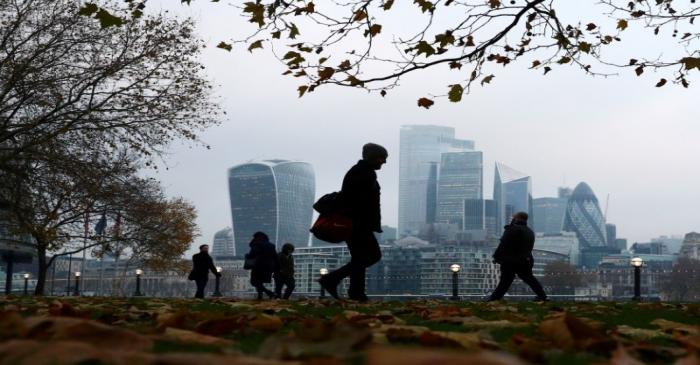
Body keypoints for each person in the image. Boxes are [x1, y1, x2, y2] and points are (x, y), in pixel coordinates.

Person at [318, 143, 387, 302]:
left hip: (355, 223)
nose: (384, 162)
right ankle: (332, 279)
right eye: (382, 158)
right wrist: (366, 223)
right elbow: (359, 201)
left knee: (359, 258)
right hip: (358, 224)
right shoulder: (364, 173)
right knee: (373, 255)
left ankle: (357, 293)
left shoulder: (360, 171)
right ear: (372, 157)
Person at [488, 212, 548, 302]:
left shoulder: (512, 229)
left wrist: (496, 256)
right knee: (530, 279)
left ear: (517, 218)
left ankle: (493, 299)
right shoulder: (530, 231)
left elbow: (503, 244)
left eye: (513, 217)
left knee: (505, 281)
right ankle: (543, 296)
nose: (512, 219)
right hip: (525, 260)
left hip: (510, 261)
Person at [247, 231, 279, 300]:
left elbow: (252, 254)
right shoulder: (271, 245)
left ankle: (269, 293)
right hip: (268, 267)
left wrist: (248, 257)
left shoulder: (257, 244)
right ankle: (260, 296)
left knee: (254, 282)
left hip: (258, 266)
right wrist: (276, 267)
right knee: (259, 282)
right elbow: (275, 256)